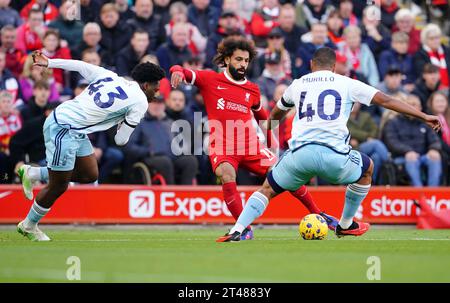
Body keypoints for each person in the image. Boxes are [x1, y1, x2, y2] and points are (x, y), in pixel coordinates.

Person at [216, 47, 441, 242]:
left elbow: (277, 112)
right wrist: (424, 116)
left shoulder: (298, 83)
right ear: (334, 67)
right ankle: (345, 224)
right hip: (334, 157)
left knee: (266, 189)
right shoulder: (347, 83)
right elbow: (387, 100)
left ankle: (237, 229)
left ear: (312, 65)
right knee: (367, 168)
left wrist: (267, 130)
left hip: (299, 156)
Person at [170, 37, 338, 241]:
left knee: (286, 173)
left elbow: (263, 118)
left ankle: (319, 213)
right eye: (238, 59)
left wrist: (271, 138)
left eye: (246, 60)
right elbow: (180, 69)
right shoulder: (210, 79)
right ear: (226, 59)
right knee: (226, 173)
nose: (242, 64)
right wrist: (177, 71)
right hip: (223, 145)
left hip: (251, 146)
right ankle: (244, 229)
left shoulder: (252, 89)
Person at [16, 50, 165, 241]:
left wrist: (50, 62)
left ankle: (33, 173)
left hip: (69, 122)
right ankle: (29, 225)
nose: (158, 92)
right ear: (146, 85)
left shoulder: (110, 76)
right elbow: (120, 141)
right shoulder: (140, 102)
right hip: (65, 127)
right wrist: (124, 123)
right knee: (59, 185)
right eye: (156, 87)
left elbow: (80, 65)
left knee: (89, 174)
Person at [383, 95, 442, 187]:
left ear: (420, 107)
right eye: (409, 105)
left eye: (415, 105)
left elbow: (435, 140)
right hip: (401, 157)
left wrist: (433, 149)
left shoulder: (425, 123)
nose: (412, 107)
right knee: (411, 158)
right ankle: (418, 192)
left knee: (435, 156)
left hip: (423, 156)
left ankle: (433, 192)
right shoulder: (393, 122)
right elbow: (392, 142)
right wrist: (408, 151)